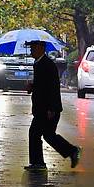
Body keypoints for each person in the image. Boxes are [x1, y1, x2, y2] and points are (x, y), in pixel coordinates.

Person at [25, 39, 81, 170]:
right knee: (48, 135)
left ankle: (38, 162)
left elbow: (52, 88)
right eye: (31, 48)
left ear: (41, 48)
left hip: (47, 108)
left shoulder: (47, 65)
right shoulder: (38, 63)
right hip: (41, 107)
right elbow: (41, 85)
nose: (32, 51)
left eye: (34, 48)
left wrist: (52, 108)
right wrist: (31, 87)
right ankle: (72, 151)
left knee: (35, 133)